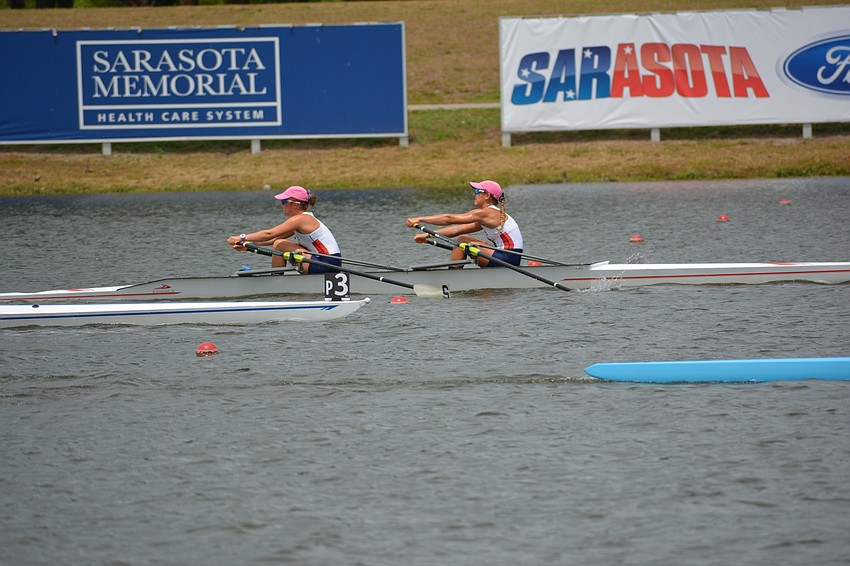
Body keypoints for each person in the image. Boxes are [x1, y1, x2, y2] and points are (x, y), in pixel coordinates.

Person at [404, 180, 524, 267]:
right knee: (462, 238)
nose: (474, 194)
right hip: (505, 256)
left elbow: (449, 219)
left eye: (477, 191)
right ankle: (455, 274)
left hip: (508, 259)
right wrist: (427, 235)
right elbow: (456, 230)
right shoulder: (488, 217)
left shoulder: (488, 213)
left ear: (487, 195)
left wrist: (419, 219)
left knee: (466, 243)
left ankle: (452, 277)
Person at [227, 186, 342, 273]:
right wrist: (247, 244)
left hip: (328, 263)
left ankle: (276, 280)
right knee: (279, 243)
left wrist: (241, 237)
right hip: (323, 261)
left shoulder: (301, 219)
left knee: (280, 244)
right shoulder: (301, 221)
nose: (281, 205)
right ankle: (277, 278)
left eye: (283, 202)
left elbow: (269, 234)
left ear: (294, 205)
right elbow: (271, 240)